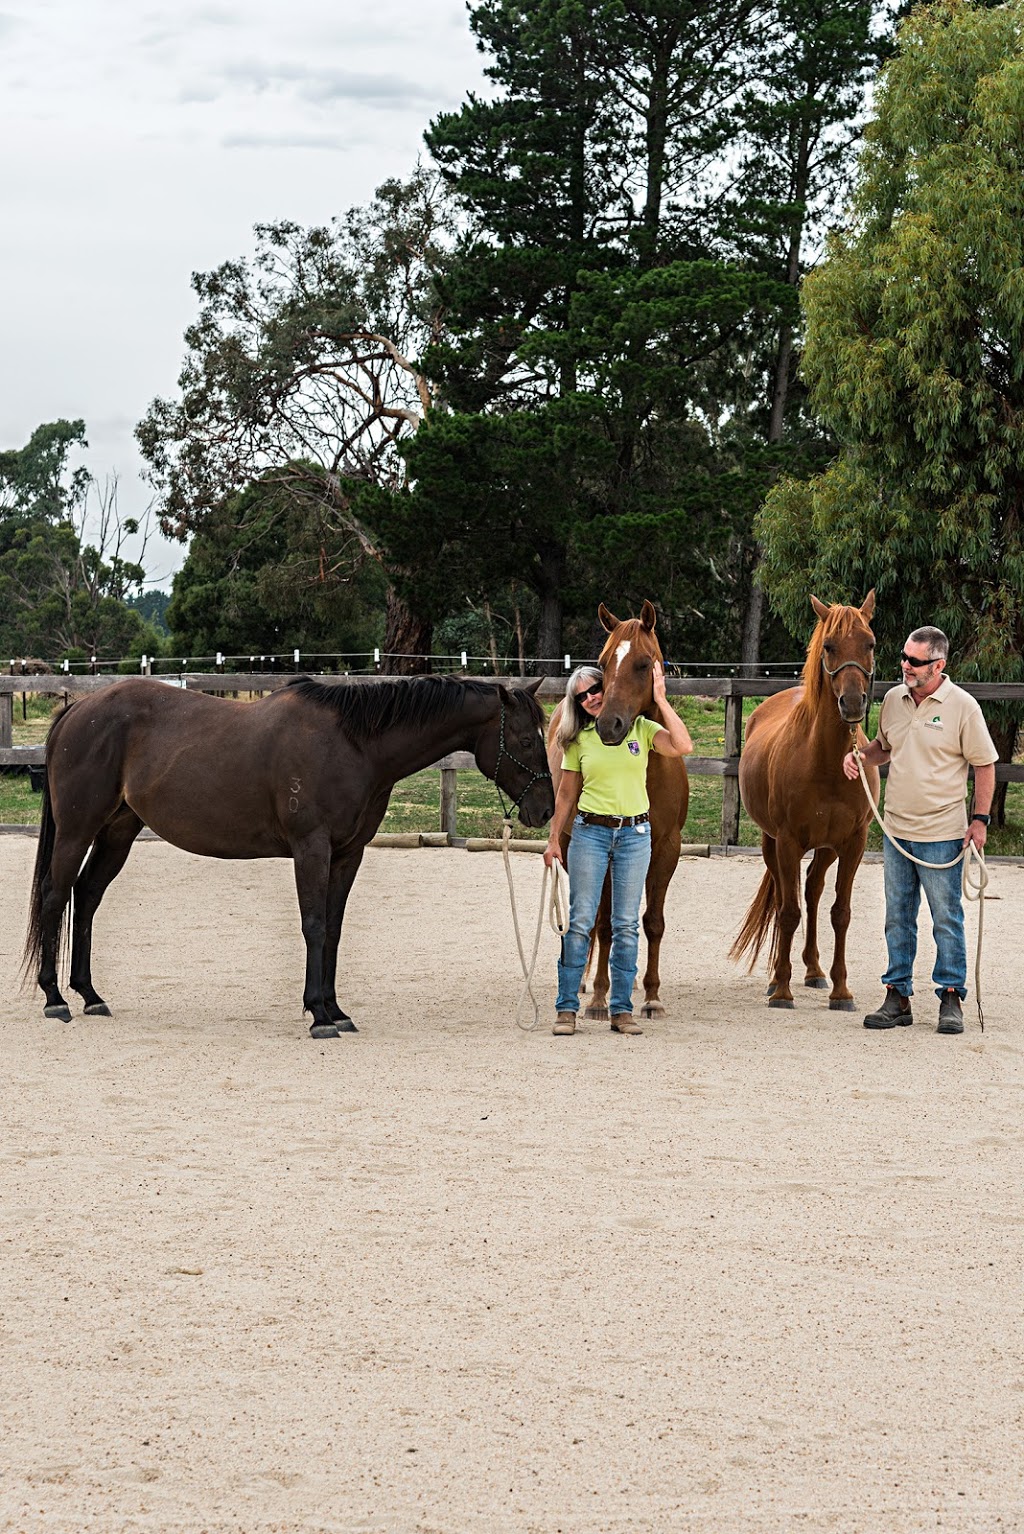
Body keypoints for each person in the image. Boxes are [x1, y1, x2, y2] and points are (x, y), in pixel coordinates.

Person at [841, 626, 997, 1035]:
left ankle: (950, 996)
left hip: (943, 831)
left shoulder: (963, 707)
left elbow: (984, 764)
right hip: (896, 830)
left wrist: (979, 821)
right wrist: (860, 758)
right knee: (897, 917)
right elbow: (884, 746)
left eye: (915, 661)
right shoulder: (894, 699)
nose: (905, 666)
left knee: (946, 917)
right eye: (904, 658)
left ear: (939, 665)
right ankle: (898, 995)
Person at [543, 661, 692, 1037]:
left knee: (626, 926)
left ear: (609, 686)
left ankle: (621, 1010)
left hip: (634, 835)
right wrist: (553, 841)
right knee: (580, 923)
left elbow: (683, 745)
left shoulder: (641, 728)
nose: (592, 698)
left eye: (596, 689)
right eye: (583, 696)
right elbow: (565, 794)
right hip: (590, 833)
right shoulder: (578, 740)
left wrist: (659, 697)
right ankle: (566, 1009)